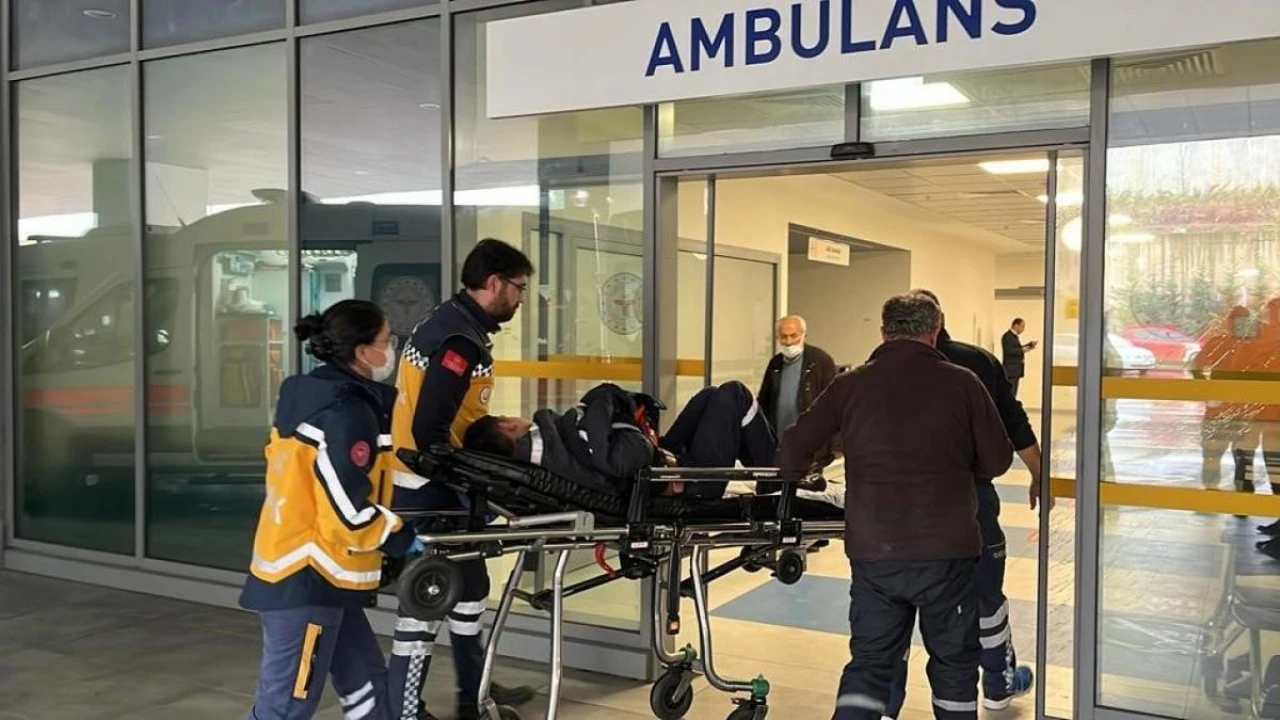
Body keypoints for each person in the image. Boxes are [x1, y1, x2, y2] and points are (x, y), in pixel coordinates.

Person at [778, 292, 1013, 720]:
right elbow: (997, 460)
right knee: (954, 665)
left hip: (875, 552)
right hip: (947, 553)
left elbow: (793, 447)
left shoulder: (850, 384)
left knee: (870, 663)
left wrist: (806, 471)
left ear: (884, 332)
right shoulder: (963, 383)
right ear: (935, 331)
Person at [241, 300, 420, 720]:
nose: (391, 349)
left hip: (321, 576)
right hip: (307, 578)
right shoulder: (346, 413)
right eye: (387, 340)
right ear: (363, 352)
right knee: (286, 706)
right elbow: (346, 512)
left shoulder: (311, 395)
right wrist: (401, 536)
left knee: (368, 690)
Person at [387, 239, 537, 720]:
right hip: (433, 490)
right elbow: (430, 430)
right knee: (428, 602)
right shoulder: (458, 341)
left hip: (440, 486)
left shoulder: (451, 322)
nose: (520, 298)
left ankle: (475, 694)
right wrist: (478, 478)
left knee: (470, 591)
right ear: (494, 283)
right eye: (519, 288)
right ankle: (404, 711)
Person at [871, 289, 1040, 713]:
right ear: (938, 322)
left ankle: (886, 703)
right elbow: (1013, 422)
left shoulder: (878, 365)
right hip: (969, 498)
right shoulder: (976, 362)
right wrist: (1039, 473)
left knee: (891, 608)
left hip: (894, 506)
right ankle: (998, 684)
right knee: (984, 596)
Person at [463, 381, 777, 500]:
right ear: (507, 426)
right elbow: (627, 457)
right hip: (684, 481)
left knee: (710, 397)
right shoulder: (551, 450)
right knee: (733, 395)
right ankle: (777, 481)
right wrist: (617, 410)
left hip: (662, 466)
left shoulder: (544, 456)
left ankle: (767, 472)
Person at [756, 315, 838, 491]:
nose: (789, 342)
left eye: (793, 336)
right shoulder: (775, 363)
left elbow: (835, 405)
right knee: (772, 492)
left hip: (810, 448)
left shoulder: (820, 361)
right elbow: (764, 402)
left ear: (803, 335)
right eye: (783, 337)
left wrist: (832, 448)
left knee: (805, 495)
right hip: (778, 445)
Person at [1000, 318, 1037, 397]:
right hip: (1011, 370)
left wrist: (1028, 345)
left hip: (1015, 370)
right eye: (1022, 326)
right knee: (1011, 392)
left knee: (1014, 392)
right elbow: (1009, 351)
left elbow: (1016, 348)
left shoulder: (1014, 337)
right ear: (1016, 325)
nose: (1023, 329)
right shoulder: (1007, 336)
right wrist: (1022, 350)